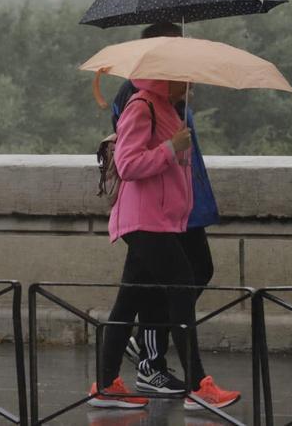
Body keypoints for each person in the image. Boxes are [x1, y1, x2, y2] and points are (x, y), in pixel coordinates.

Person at [87, 74, 240, 411]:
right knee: (182, 287)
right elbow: (128, 164)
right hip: (144, 221)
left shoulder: (169, 108)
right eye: (184, 78)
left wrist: (176, 150)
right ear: (165, 78)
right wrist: (172, 148)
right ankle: (199, 386)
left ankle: (106, 384)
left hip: (161, 220)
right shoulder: (141, 106)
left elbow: (172, 168)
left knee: (128, 302)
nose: (192, 84)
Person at [112, 22, 218, 395]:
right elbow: (131, 158)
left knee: (160, 287)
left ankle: (121, 372)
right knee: (171, 285)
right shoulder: (139, 95)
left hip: (180, 207)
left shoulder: (171, 97)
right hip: (152, 213)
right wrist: (171, 147)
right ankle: (156, 363)